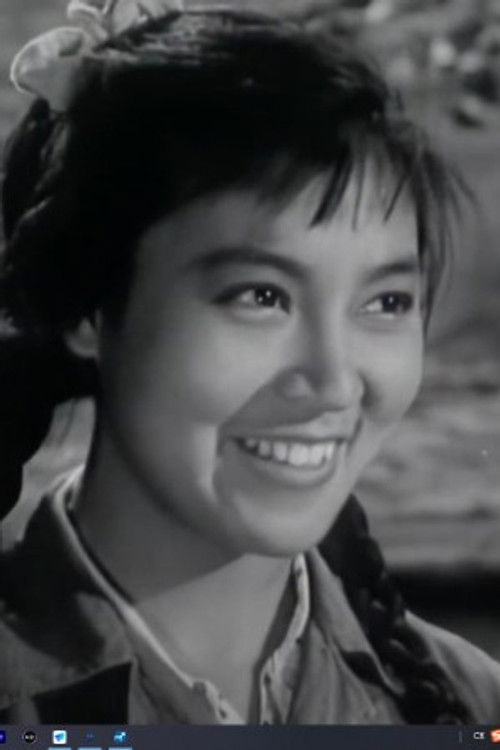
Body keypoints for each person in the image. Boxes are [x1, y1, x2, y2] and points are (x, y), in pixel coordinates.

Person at [0, 0, 499, 726]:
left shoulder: (470, 701)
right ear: (90, 307)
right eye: (262, 296)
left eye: (386, 302)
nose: (334, 381)